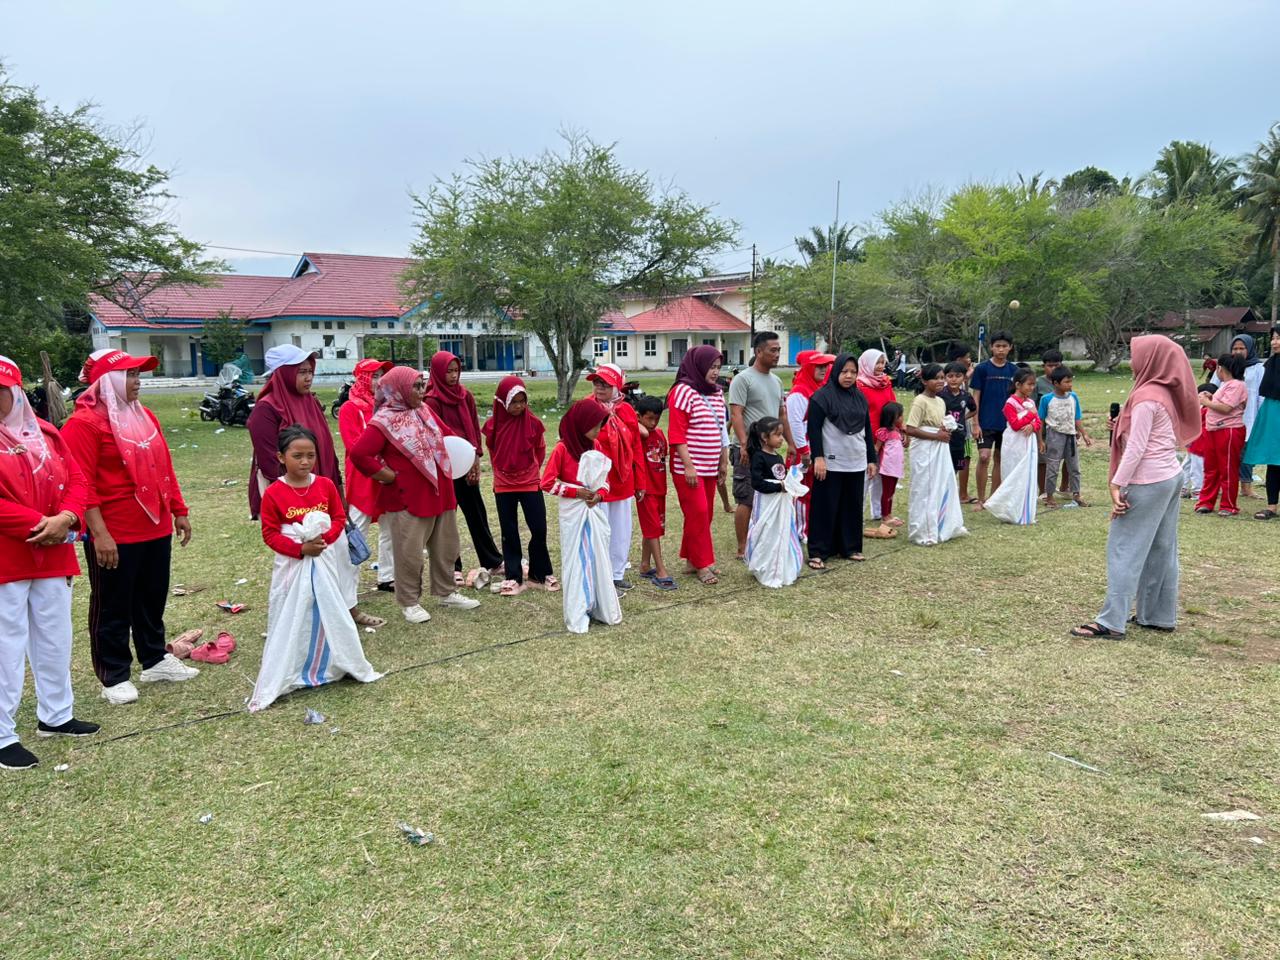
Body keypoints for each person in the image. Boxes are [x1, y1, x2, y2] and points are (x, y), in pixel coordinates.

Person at [61, 349, 196, 706]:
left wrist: (178, 509)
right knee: (113, 604)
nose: (138, 382)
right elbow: (81, 483)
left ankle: (154, 659)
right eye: (130, 375)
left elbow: (163, 466)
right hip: (115, 529)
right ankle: (114, 674)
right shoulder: (85, 423)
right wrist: (99, 533)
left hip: (153, 525)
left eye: (139, 375)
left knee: (152, 597)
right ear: (108, 381)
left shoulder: (144, 415)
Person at [0, 356, 98, 770]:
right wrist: (40, 522)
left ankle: (55, 716)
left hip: (53, 550)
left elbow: (77, 479)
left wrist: (68, 517)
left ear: (15, 391)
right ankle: (2, 734)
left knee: (55, 636)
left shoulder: (45, 432)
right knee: (6, 644)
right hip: (8, 555)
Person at [1073, 335, 1199, 639]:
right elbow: (1152, 436)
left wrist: (1117, 483)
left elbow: (1138, 448)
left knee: (1124, 549)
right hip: (1169, 475)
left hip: (1148, 479)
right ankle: (1158, 615)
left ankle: (1111, 621)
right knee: (1162, 549)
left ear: (1152, 359)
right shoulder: (1166, 392)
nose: (1132, 361)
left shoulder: (1146, 396)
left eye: (1136, 355)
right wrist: (1119, 427)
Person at [251, 425, 382, 712]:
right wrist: (300, 548)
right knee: (294, 609)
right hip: (292, 564)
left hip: (325, 557)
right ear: (281, 457)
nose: (305, 462)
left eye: (311, 455)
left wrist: (326, 537)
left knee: (329, 607)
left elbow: (337, 517)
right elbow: (270, 533)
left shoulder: (324, 485)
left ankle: (332, 660)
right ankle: (294, 664)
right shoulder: (275, 493)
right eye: (297, 455)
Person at [350, 366, 479, 624]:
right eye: (416, 386)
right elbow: (359, 454)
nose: (422, 391)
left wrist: (470, 454)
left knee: (446, 545)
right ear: (399, 388)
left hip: (439, 489)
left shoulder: (423, 410)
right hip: (407, 496)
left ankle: (446, 592)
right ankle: (409, 602)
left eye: (423, 385)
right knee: (409, 552)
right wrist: (386, 475)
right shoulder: (384, 420)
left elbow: (447, 435)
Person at [423, 351, 503, 584]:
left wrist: (475, 458)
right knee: (447, 519)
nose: (452, 375)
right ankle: (452, 566)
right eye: (448, 371)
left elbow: (473, 427)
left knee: (477, 513)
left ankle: (493, 561)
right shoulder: (431, 401)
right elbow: (434, 436)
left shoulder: (464, 395)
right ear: (437, 372)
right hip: (444, 468)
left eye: (456, 370)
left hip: (466, 464)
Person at [542, 397, 620, 632]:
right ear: (581, 423)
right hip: (573, 513)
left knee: (597, 556)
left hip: (593, 510)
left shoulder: (595, 447)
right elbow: (546, 483)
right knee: (577, 559)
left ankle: (598, 605)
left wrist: (599, 495)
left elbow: (605, 480)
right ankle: (579, 609)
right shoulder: (563, 449)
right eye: (595, 426)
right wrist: (576, 492)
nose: (599, 431)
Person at [481, 375, 556, 596]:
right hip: (504, 484)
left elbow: (540, 449)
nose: (519, 406)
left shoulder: (533, 423)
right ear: (502, 401)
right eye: (514, 401)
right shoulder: (493, 426)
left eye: (522, 401)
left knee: (539, 528)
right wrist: (505, 471)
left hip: (530, 482)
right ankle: (513, 577)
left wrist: (529, 470)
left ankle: (539, 574)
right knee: (509, 531)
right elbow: (493, 451)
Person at [728, 332, 798, 560]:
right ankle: (741, 547)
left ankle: (760, 539)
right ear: (759, 351)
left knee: (768, 494)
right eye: (773, 350)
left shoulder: (777, 381)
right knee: (746, 497)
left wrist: (791, 443)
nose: (777, 354)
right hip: (747, 449)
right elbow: (736, 414)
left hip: (770, 449)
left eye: (779, 350)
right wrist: (745, 445)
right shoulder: (743, 379)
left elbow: (781, 415)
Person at [806, 353, 879, 568]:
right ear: (836, 371)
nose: (849, 376)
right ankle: (818, 551)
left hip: (855, 460)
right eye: (844, 371)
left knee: (851, 506)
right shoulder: (821, 397)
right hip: (830, 461)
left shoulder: (859, 397)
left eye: (853, 372)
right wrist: (818, 457)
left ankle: (850, 547)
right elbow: (814, 429)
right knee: (825, 506)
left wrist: (871, 458)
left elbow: (867, 429)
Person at [667, 346, 730, 585]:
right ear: (698, 366)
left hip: (710, 465)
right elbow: (677, 434)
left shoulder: (716, 392)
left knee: (705, 514)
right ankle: (704, 564)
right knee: (699, 512)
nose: (715, 372)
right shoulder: (683, 391)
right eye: (711, 367)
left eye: (718, 367)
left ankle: (692, 560)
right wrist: (689, 465)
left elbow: (721, 428)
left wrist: (723, 461)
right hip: (688, 468)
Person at [587, 363, 647, 591]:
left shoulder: (626, 411)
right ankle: (598, 574)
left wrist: (640, 482)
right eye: (596, 383)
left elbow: (636, 448)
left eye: (605, 384)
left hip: (622, 480)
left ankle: (616, 573)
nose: (600, 387)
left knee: (620, 530)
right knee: (598, 529)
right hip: (597, 481)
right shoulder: (587, 407)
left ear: (617, 386)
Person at [338, 358, 395, 593]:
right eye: (373, 375)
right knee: (357, 527)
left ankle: (387, 576)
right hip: (363, 475)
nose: (379, 380)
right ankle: (347, 583)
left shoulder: (387, 406)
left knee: (389, 526)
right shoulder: (350, 408)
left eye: (381, 375)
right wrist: (376, 466)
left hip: (387, 474)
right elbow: (354, 446)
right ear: (362, 378)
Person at [903, 363, 966, 546]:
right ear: (924, 380)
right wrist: (935, 435)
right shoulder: (920, 401)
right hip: (925, 448)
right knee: (925, 487)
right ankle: (923, 529)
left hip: (940, 447)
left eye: (941, 378)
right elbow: (911, 429)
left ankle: (942, 523)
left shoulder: (940, 401)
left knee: (942, 483)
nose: (940, 381)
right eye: (935, 378)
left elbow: (940, 423)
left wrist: (945, 430)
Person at [744, 416, 803, 588]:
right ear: (764, 437)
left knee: (780, 531)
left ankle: (779, 565)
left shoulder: (777, 457)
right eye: (777, 435)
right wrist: (779, 487)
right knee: (767, 532)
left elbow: (781, 477)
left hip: (781, 504)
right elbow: (757, 483)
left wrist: (791, 479)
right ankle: (764, 566)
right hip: (767, 503)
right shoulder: (758, 457)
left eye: (782, 435)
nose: (781, 439)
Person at [783, 350, 834, 543]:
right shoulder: (799, 393)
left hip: (817, 447)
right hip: (804, 450)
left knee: (813, 489)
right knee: (802, 490)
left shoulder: (818, 389)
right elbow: (795, 423)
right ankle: (801, 530)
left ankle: (810, 526)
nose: (824, 369)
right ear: (808, 367)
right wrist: (804, 452)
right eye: (819, 366)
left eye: (825, 366)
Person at [984, 369, 1043, 526]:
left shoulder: (1030, 402)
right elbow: (1015, 424)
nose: (1031, 388)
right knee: (1014, 472)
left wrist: (1032, 425)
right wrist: (1030, 416)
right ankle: (1009, 509)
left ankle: (1024, 509)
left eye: (1033, 385)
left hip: (1028, 442)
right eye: (1029, 384)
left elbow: (1039, 421)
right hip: (1014, 442)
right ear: (1018, 384)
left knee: (1026, 474)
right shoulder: (1010, 403)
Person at [970, 330, 1018, 508]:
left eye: (1004, 346)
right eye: (997, 346)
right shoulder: (982, 369)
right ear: (991, 347)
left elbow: (1018, 397)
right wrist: (975, 423)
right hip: (985, 422)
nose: (1001, 349)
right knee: (984, 457)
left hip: (1006, 423)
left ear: (1010, 348)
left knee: (1000, 459)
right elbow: (975, 396)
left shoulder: (1014, 370)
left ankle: (993, 499)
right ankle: (981, 499)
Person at [1195, 353, 1248, 516]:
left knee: (1227, 468)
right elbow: (1221, 402)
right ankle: (1205, 502)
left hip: (1229, 430)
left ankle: (1228, 505)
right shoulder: (1226, 385)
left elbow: (1227, 408)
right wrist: (1211, 397)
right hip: (1214, 430)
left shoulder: (1237, 385)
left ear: (1220, 368)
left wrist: (1206, 402)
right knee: (1211, 468)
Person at [853, 349, 898, 537]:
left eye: (882, 362)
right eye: (876, 363)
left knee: (881, 473)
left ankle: (879, 511)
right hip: (865, 436)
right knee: (864, 477)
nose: (880, 367)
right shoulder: (859, 385)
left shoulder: (885, 383)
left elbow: (894, 406)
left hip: (885, 435)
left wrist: (896, 429)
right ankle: (857, 515)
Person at [634, 396, 675, 591]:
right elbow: (637, 429)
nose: (652, 423)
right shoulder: (636, 435)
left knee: (654, 528)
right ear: (638, 417)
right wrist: (636, 422)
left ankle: (645, 565)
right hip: (645, 490)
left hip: (660, 489)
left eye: (656, 419)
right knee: (653, 530)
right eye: (648, 418)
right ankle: (660, 570)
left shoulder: (659, 434)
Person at [1038, 366, 1093, 509]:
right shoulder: (1046, 399)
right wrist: (1041, 440)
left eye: (1071, 381)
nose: (1070, 385)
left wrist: (1084, 433)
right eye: (1066, 382)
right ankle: (1049, 497)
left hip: (1071, 437)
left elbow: (1077, 417)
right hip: (1054, 437)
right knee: (1053, 468)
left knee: (1074, 467)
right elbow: (1040, 421)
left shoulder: (1073, 397)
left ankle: (1076, 494)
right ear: (1055, 383)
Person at [1244, 326, 1280, 520]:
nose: (1274, 342)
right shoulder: (1271, 363)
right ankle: (1271, 506)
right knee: (1274, 461)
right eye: (1273, 338)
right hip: (1272, 411)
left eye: (1278, 338)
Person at [1225, 334, 1266, 499]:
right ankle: (1227, 485)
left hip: (1249, 417)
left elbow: (1262, 394)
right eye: (1235, 348)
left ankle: (1246, 487)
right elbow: (1215, 385)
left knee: (1246, 453)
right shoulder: (1226, 366)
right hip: (1226, 415)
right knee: (1229, 452)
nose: (1238, 352)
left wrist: (1261, 416)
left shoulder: (1258, 369)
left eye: (1242, 348)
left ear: (1249, 349)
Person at [1036, 349, 1069, 497]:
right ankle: (1043, 490)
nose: (1053, 368)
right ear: (1044, 366)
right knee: (1043, 460)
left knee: (1068, 457)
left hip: (1063, 426)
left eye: (1056, 365)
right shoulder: (1038, 383)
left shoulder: (1065, 381)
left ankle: (1064, 487)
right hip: (1044, 428)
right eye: (1049, 365)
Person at [941, 361, 977, 501]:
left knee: (958, 465)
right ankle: (943, 493)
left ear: (964, 378)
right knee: (944, 465)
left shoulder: (966, 396)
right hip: (944, 436)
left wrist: (962, 418)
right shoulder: (940, 395)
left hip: (960, 437)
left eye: (957, 376)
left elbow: (973, 410)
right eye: (950, 376)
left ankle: (952, 492)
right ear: (945, 378)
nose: (954, 379)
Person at [873, 402, 906, 528]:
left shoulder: (898, 431)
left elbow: (905, 444)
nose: (902, 418)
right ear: (892, 417)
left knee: (891, 491)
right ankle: (885, 515)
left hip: (896, 466)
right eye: (900, 416)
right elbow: (877, 448)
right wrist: (873, 462)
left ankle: (889, 514)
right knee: (886, 491)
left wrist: (905, 432)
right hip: (887, 467)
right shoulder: (883, 432)